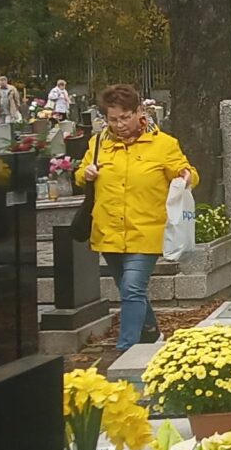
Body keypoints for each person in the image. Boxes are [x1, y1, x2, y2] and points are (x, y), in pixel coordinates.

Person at [77, 83, 197, 352]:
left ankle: (126, 350)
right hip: (108, 230)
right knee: (129, 289)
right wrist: (86, 173)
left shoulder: (163, 144)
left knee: (132, 287)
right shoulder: (98, 144)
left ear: (139, 111)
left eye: (125, 117)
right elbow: (81, 173)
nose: (119, 125)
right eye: (113, 119)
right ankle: (151, 332)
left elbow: (186, 170)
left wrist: (186, 176)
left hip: (146, 230)